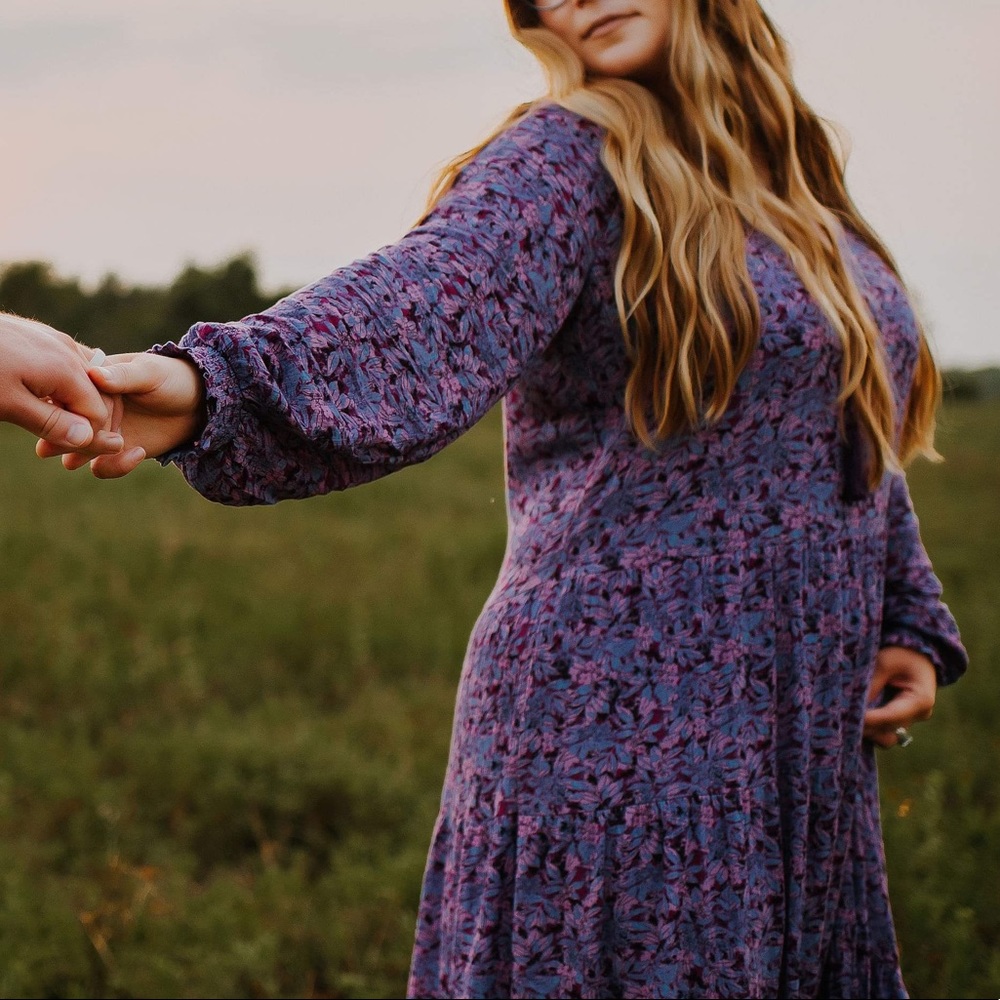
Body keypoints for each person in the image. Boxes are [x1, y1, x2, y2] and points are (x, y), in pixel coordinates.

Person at [3, 2, 968, 997]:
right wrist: (215, 386)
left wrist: (902, 611)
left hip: (797, 735)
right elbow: (421, 308)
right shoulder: (570, 157)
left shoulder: (799, 187)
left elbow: (840, 424)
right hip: (624, 727)